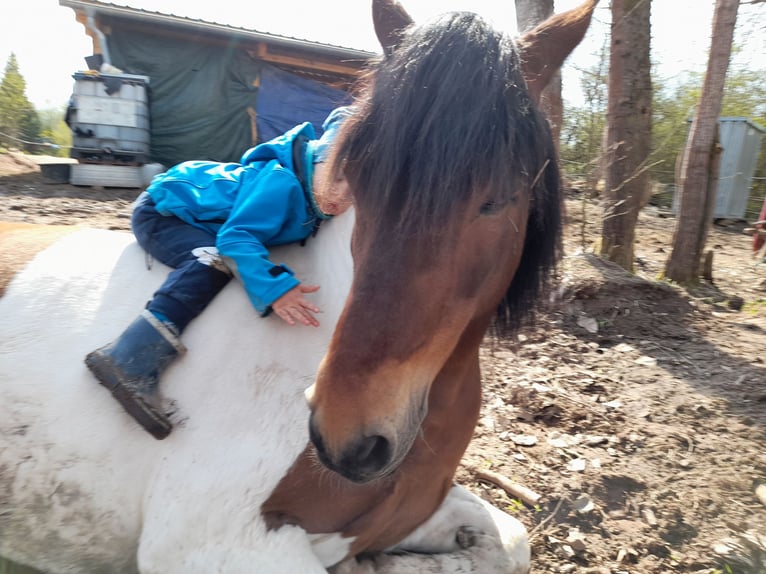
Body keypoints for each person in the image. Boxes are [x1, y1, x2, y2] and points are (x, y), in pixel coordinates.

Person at [85, 106, 354, 440]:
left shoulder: (316, 198)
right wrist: (276, 288)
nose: (340, 197)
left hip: (199, 216)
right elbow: (235, 239)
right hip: (165, 211)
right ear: (317, 160)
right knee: (211, 261)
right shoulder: (281, 182)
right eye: (337, 177)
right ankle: (129, 357)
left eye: (354, 190)